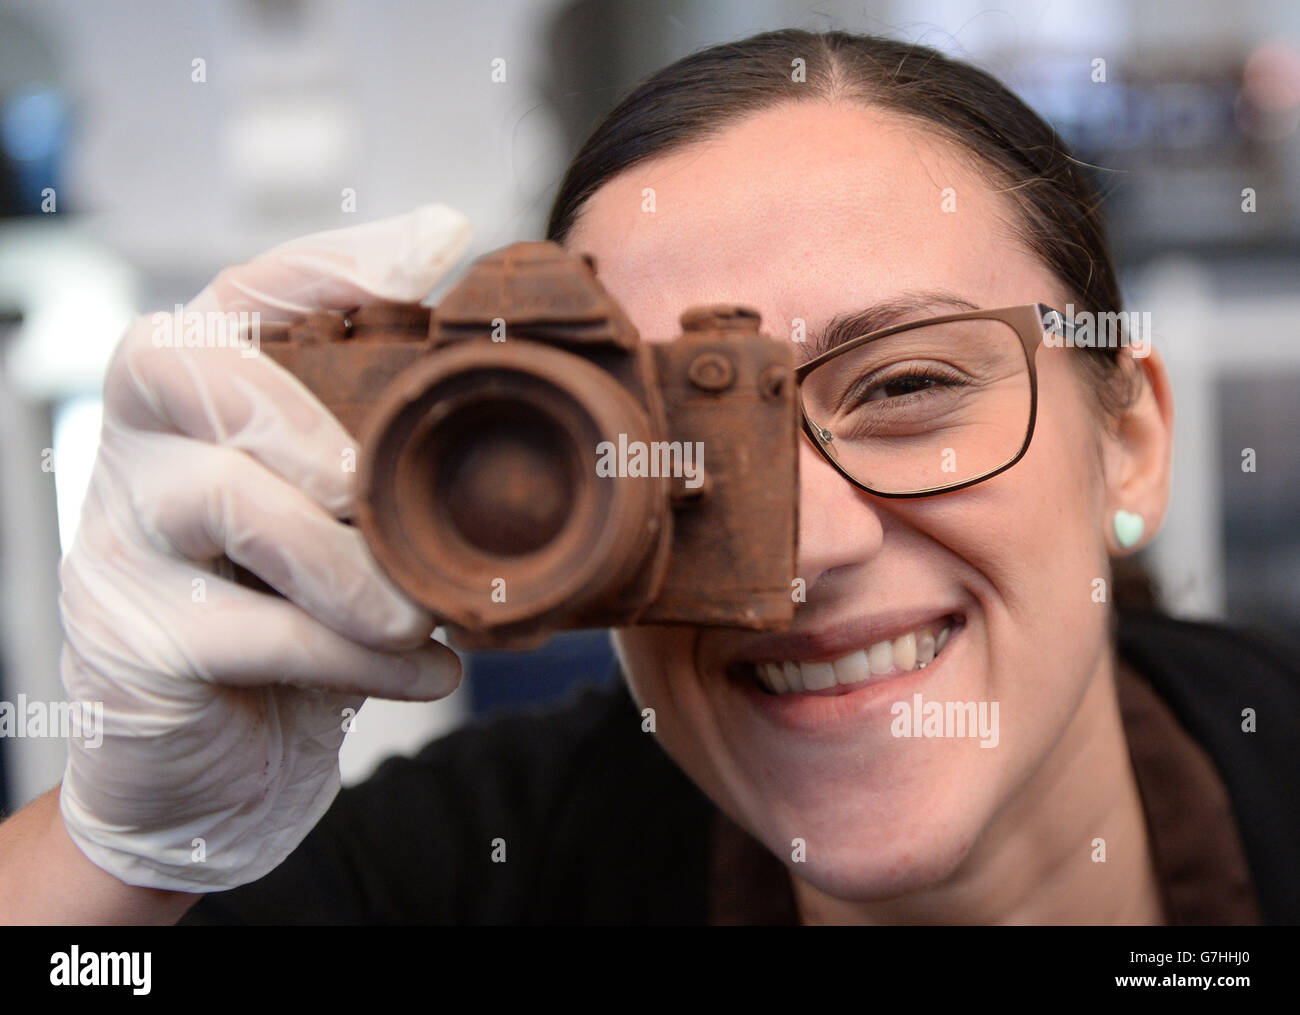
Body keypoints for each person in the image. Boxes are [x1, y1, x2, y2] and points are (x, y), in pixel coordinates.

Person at [1, 29, 1296, 926]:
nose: (811, 546)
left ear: (1129, 437)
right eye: (687, 441)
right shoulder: (482, 866)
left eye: (906, 389)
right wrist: (121, 854)